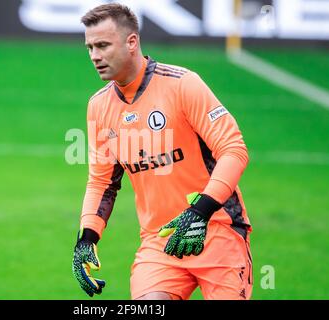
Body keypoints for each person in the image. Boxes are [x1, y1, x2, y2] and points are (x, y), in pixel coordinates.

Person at [72, 3, 252, 300]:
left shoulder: (182, 85)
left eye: (103, 45)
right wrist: (87, 237)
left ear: (132, 42)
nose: (95, 56)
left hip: (216, 229)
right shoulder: (99, 106)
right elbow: (102, 182)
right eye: (90, 47)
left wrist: (200, 211)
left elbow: (234, 149)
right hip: (160, 242)